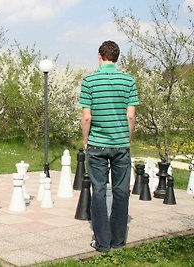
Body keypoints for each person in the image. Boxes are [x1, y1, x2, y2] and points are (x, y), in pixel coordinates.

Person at [79, 40, 139, 252]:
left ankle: (102, 243)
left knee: (99, 191)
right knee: (121, 191)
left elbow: (87, 118)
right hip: (121, 145)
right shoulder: (129, 81)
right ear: (117, 57)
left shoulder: (89, 81)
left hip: (96, 145)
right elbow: (131, 115)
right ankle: (118, 240)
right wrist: (127, 138)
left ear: (99, 55)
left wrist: (86, 140)